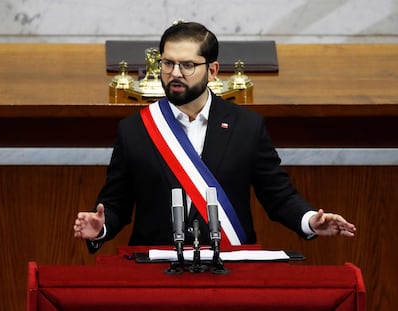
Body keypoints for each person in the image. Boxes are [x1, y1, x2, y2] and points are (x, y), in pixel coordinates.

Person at [73, 21, 356, 253]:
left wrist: (310, 221)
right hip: (155, 268)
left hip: (232, 266)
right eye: (167, 64)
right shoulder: (136, 129)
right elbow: (116, 204)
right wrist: (101, 227)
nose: (174, 74)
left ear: (212, 70)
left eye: (187, 65)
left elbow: (278, 196)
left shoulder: (246, 126)